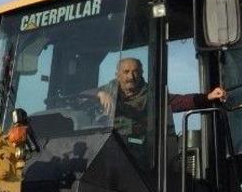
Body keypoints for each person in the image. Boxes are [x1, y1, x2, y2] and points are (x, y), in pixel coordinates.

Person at [94, 57, 227, 139]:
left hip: (137, 149)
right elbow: (78, 96)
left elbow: (180, 101)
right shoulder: (107, 90)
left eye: (135, 72)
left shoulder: (153, 95)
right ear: (117, 75)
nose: (131, 77)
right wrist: (99, 94)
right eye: (126, 72)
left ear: (141, 74)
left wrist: (208, 96)